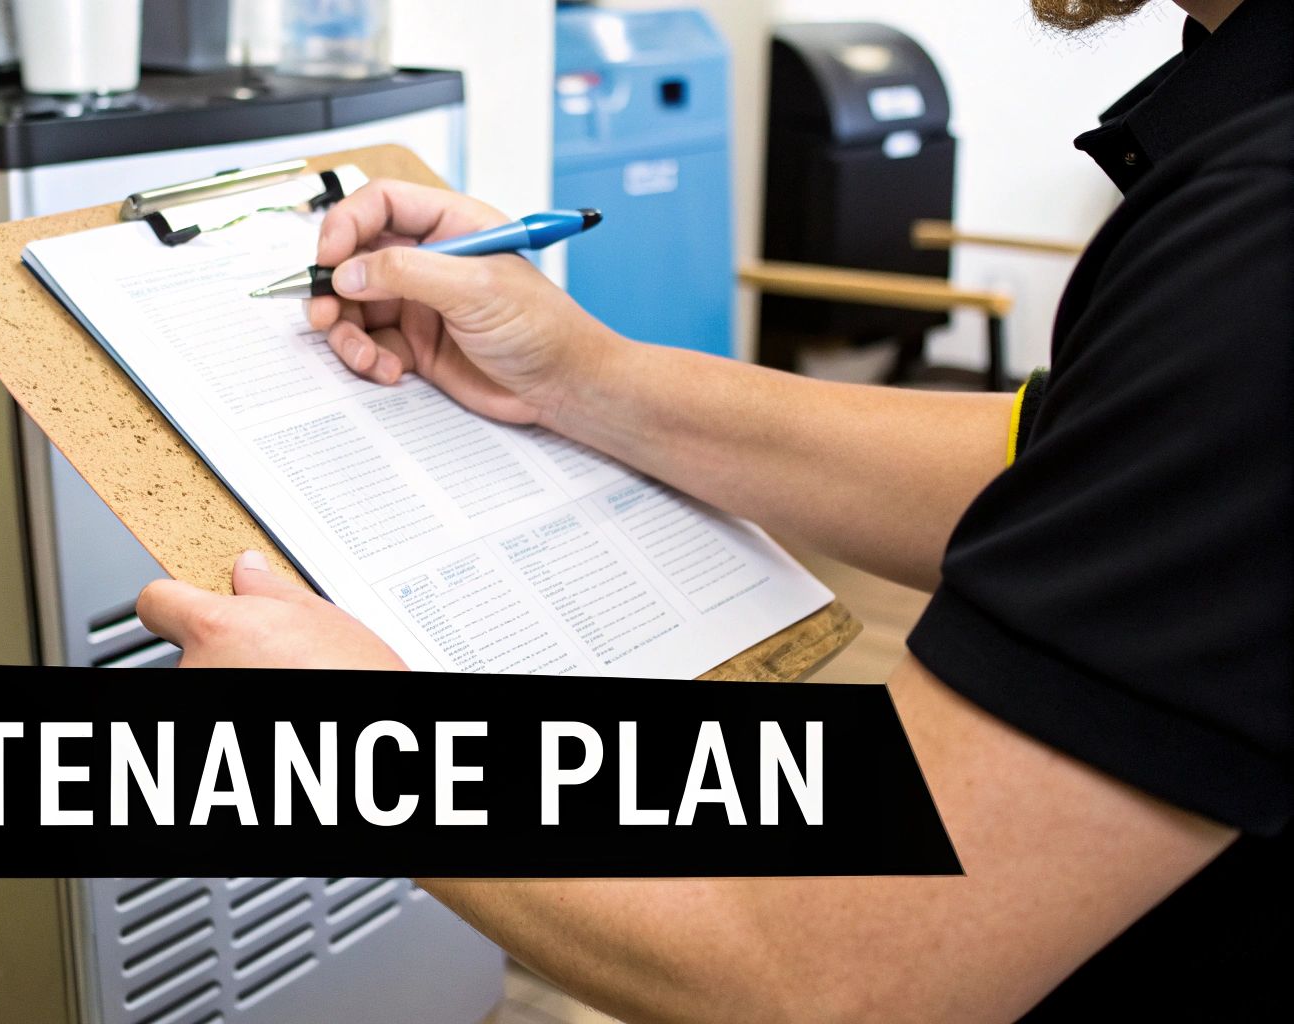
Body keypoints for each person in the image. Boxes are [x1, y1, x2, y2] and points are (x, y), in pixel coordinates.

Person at [136, 0, 1292, 1018]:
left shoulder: (1262, 230)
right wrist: (580, 375)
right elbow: (1073, 471)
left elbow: (829, 976)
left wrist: (358, 748)